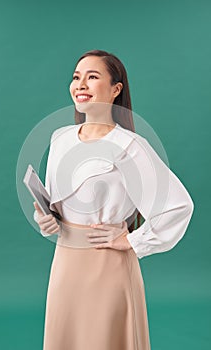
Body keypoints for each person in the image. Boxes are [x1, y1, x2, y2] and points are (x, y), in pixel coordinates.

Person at [33, 50, 194, 350]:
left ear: (116, 89)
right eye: (76, 77)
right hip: (65, 264)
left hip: (107, 265)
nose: (80, 84)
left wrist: (133, 241)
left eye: (92, 77)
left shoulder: (129, 146)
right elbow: (58, 205)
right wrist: (47, 220)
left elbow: (178, 206)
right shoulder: (60, 138)